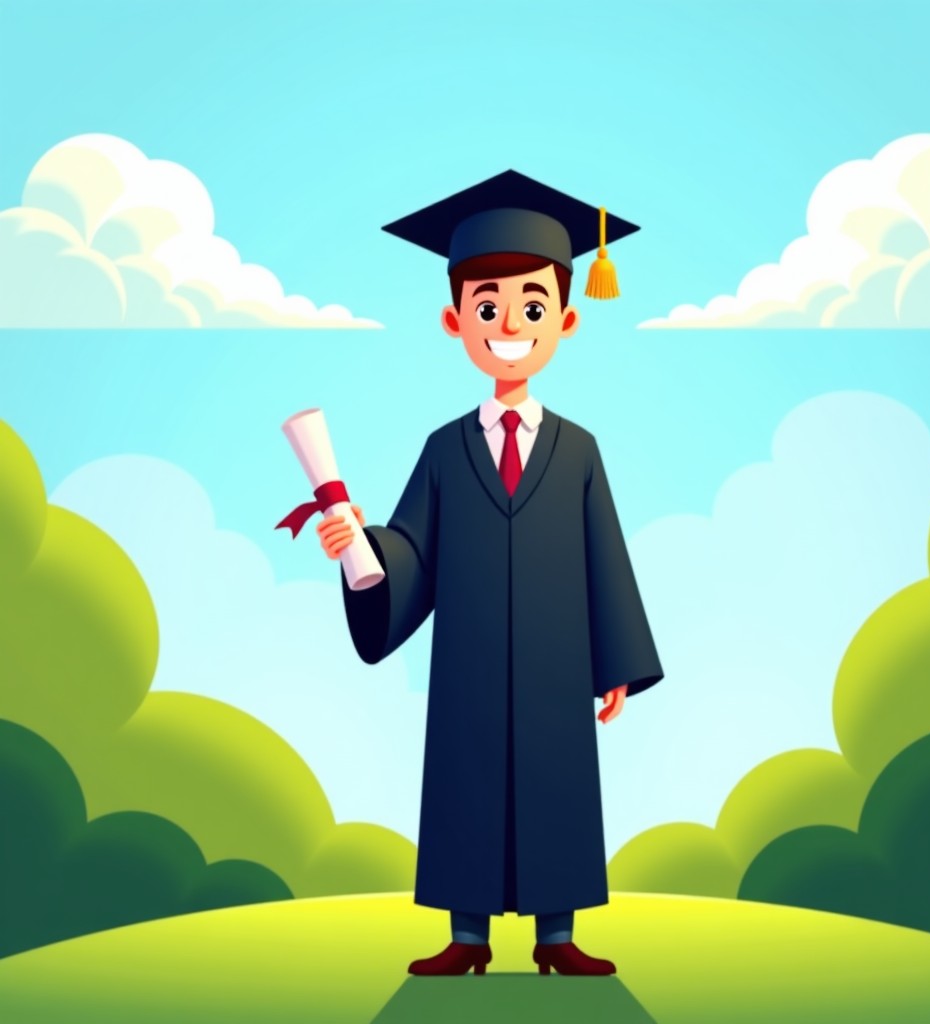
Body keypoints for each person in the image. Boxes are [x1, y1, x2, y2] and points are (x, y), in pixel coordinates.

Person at [317, 171, 663, 977]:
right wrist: (359, 550)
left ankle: (556, 936)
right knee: (467, 784)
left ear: (566, 320)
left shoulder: (579, 450)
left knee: (554, 783)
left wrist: (616, 662)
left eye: (532, 308)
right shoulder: (444, 450)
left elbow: (604, 553)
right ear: (455, 321)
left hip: (555, 666)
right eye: (487, 307)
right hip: (469, 664)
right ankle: (466, 938)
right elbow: (410, 551)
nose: (509, 324)